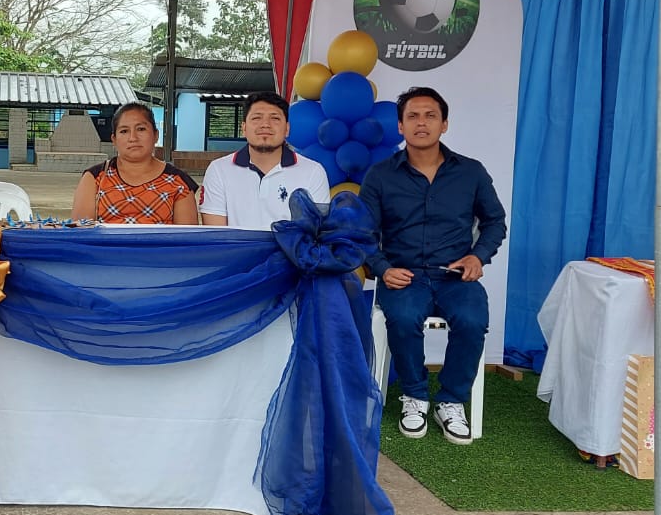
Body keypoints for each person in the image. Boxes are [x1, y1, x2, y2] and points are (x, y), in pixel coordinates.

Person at [358, 86, 506, 445]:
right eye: (412, 116)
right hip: (403, 275)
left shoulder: (470, 172)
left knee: (472, 320)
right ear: (400, 126)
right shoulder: (380, 175)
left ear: (444, 124)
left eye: (430, 116)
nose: (421, 123)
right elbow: (361, 232)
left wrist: (477, 256)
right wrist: (382, 267)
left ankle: (451, 401)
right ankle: (415, 396)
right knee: (404, 317)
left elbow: (495, 222)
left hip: (454, 275)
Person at [199, 90, 329, 230]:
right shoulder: (219, 170)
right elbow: (216, 235)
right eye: (256, 118)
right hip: (234, 246)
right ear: (244, 128)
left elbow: (316, 232)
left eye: (275, 118)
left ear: (287, 129)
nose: (265, 124)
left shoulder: (313, 172)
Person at [70, 102, 199, 224]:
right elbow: (82, 233)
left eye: (141, 129)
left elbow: (186, 237)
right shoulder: (95, 178)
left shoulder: (179, 183)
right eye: (124, 131)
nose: (133, 138)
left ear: (156, 135)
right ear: (114, 140)